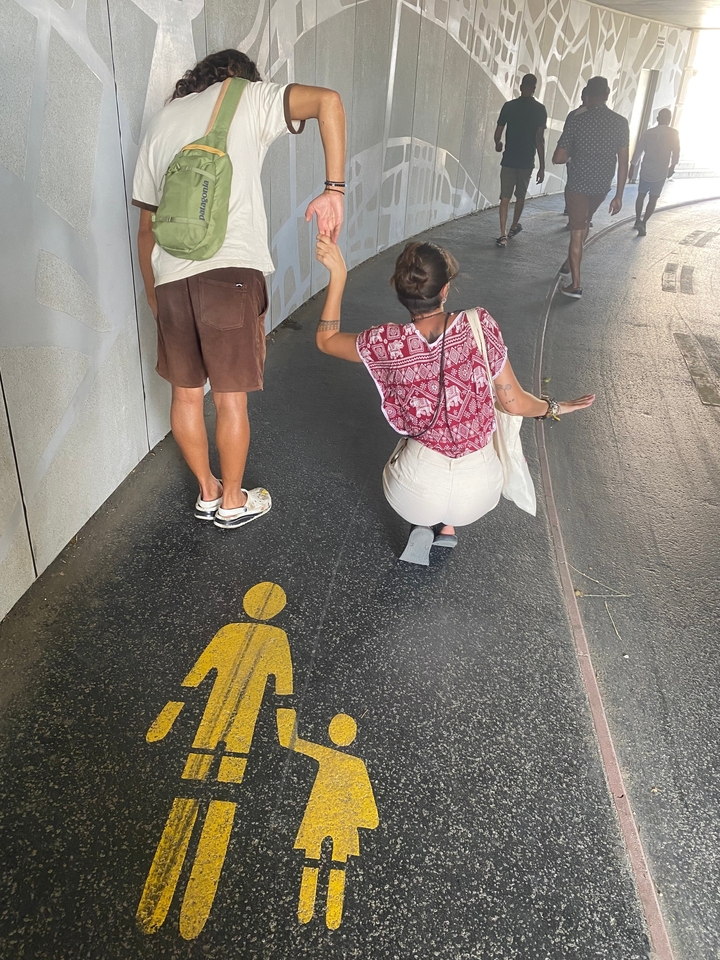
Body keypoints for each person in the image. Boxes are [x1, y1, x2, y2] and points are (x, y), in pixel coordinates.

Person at [132, 50, 346, 529]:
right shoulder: (249, 96)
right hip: (230, 273)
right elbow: (328, 101)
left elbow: (145, 229)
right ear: (243, 77)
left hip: (169, 278)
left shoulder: (162, 120)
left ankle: (206, 491)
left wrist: (153, 292)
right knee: (230, 400)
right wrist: (335, 189)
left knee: (186, 397)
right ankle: (232, 501)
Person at [313, 238, 595, 565]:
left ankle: (422, 520)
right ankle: (448, 527)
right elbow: (514, 403)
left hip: (413, 489)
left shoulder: (386, 341)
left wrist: (338, 275)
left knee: (411, 446)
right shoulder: (479, 324)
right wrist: (556, 407)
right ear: (445, 290)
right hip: (478, 492)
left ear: (400, 292)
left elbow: (326, 340)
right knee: (457, 455)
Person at [552, 75, 629, 299]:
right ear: (607, 95)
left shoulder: (576, 119)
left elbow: (558, 157)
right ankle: (568, 263)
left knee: (577, 231)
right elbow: (624, 161)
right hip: (602, 186)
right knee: (584, 224)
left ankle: (575, 285)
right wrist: (619, 195)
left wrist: (574, 153)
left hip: (578, 185)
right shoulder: (620, 122)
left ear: (587, 94)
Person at [493, 74, 547, 247]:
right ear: (534, 88)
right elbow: (539, 139)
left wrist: (498, 143)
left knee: (505, 197)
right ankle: (513, 227)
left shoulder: (509, 107)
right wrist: (542, 166)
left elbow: (498, 131)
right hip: (526, 160)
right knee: (521, 196)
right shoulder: (540, 110)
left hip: (509, 158)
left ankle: (502, 235)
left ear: (521, 86)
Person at [629, 108, 680, 235]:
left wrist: (632, 167)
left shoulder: (648, 133)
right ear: (669, 119)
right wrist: (672, 167)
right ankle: (644, 223)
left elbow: (638, 151)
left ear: (657, 119)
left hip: (646, 169)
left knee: (641, 196)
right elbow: (676, 152)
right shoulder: (673, 133)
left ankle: (637, 220)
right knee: (653, 198)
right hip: (661, 171)